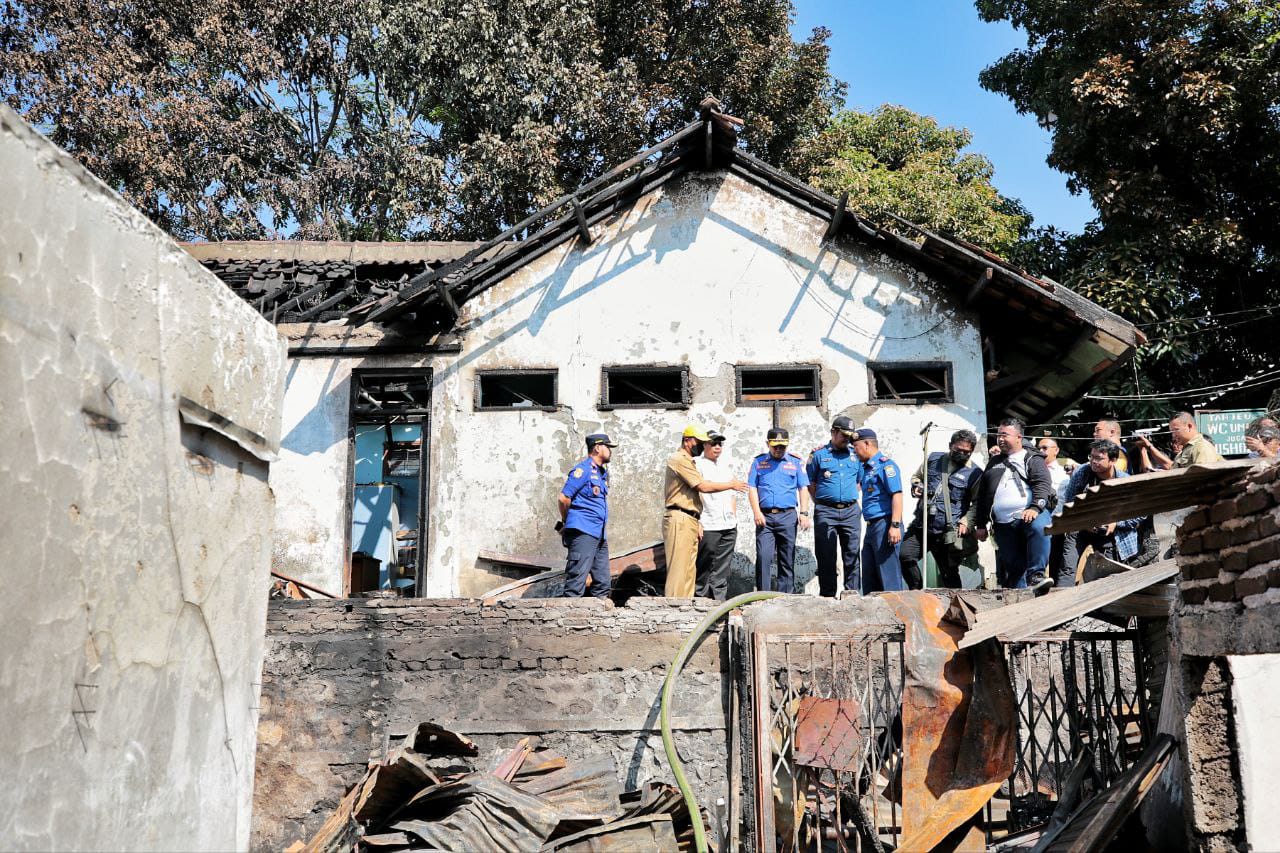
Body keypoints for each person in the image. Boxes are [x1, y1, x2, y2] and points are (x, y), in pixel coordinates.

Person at [663, 424, 748, 598]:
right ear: (688, 441)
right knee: (680, 570)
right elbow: (702, 487)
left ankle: (687, 612)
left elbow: (729, 496)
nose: (702, 446)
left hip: (693, 518)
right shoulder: (681, 460)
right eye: (701, 442)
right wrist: (731, 484)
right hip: (683, 517)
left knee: (688, 570)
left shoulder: (717, 465)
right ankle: (673, 611)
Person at [974, 418, 1055, 593]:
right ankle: (1020, 601)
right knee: (1013, 567)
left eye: (1005, 435)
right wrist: (980, 524)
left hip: (1031, 514)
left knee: (1041, 528)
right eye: (998, 435)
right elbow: (983, 495)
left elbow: (1043, 484)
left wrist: (1035, 508)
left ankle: (1037, 576)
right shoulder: (994, 462)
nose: (1000, 439)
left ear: (1019, 436)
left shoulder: (1032, 458)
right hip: (1003, 523)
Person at [899, 429, 981, 589]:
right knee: (905, 556)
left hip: (948, 532)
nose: (962, 454)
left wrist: (967, 521)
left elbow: (978, 503)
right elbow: (917, 477)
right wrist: (917, 486)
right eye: (958, 450)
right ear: (950, 445)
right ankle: (916, 591)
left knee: (949, 573)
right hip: (922, 525)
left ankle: (957, 607)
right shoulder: (933, 458)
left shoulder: (975, 473)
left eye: (967, 452)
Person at [1058, 440, 1144, 584]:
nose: (1093, 461)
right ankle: (1061, 601)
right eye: (1091, 457)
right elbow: (1069, 503)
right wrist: (1083, 521)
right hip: (1081, 528)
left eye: (1099, 458)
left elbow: (1141, 513)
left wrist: (1116, 523)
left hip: (1111, 535)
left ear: (1113, 460)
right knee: (1067, 568)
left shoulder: (1125, 481)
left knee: (1107, 575)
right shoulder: (1082, 473)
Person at [748, 428, 811, 593]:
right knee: (763, 557)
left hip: (788, 517)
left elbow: (803, 488)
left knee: (787, 558)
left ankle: (785, 597)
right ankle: (762, 596)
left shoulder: (796, 462)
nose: (778, 449)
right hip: (765, 518)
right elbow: (752, 487)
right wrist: (756, 512)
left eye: (782, 446)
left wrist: (804, 513)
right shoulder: (758, 462)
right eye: (775, 446)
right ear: (767, 444)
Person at [806, 416, 862, 597]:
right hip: (826, 511)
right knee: (826, 555)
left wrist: (847, 497)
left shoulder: (855, 455)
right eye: (843, 435)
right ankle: (828, 596)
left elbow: (859, 482)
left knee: (852, 553)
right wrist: (822, 502)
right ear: (833, 432)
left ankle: (851, 595)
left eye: (849, 436)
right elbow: (811, 482)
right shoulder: (818, 455)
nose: (846, 439)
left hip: (851, 511)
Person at [557, 433, 617, 598]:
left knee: (603, 583)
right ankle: (567, 620)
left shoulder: (601, 474)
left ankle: (598, 621)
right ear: (598, 448)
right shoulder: (582, 471)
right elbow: (563, 498)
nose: (611, 451)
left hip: (599, 533)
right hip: (583, 531)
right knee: (576, 582)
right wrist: (566, 520)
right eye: (608, 447)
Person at [851, 429, 906, 592]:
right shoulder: (867, 468)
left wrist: (895, 525)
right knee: (870, 576)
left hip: (885, 524)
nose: (854, 450)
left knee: (888, 577)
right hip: (872, 526)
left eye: (856, 446)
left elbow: (897, 495)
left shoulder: (886, 465)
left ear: (867, 444)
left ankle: (896, 614)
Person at [695, 431, 737, 600]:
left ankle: (719, 603)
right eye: (713, 443)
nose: (717, 446)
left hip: (728, 524)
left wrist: (733, 516)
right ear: (704, 444)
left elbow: (733, 493)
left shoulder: (725, 464)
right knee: (704, 565)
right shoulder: (697, 464)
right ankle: (701, 600)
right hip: (709, 523)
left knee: (722, 567)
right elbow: (696, 493)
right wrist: (698, 521)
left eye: (720, 443)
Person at [1038, 437, 1074, 586]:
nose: (1041, 451)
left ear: (1056, 450)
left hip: (1056, 524)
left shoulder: (1064, 473)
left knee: (1055, 562)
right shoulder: (1031, 471)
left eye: (1044, 448)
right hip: (1035, 523)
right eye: (1039, 448)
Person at [1138, 412, 1224, 469]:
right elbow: (1170, 467)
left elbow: (1202, 477)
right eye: (1172, 432)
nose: (1173, 435)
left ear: (1189, 427)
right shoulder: (1185, 450)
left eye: (1176, 430)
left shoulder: (1202, 447)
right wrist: (1148, 447)